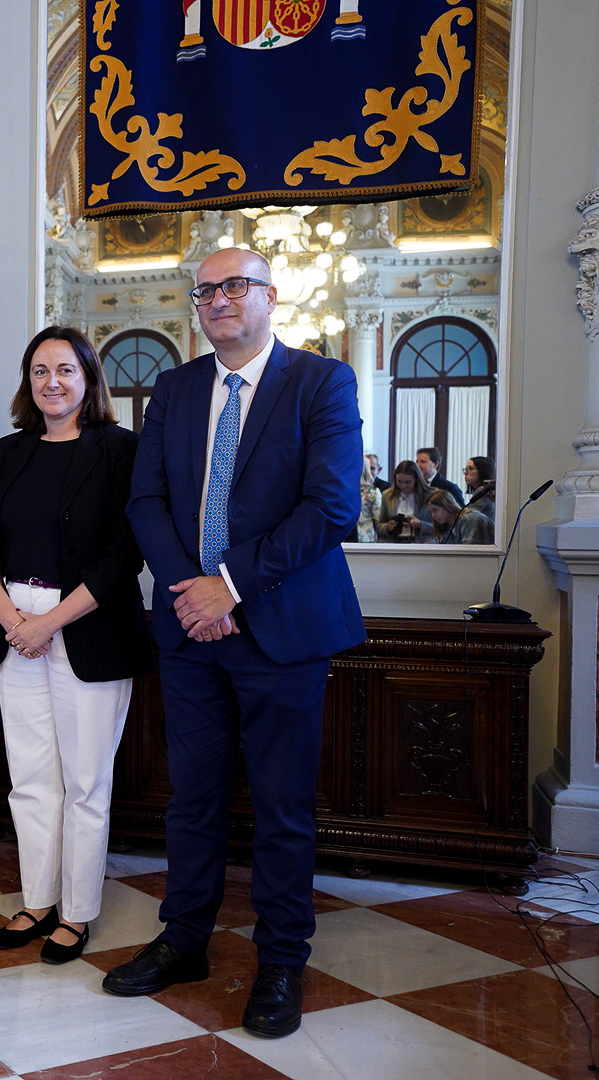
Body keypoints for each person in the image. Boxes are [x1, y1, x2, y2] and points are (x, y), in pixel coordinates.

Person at [110, 246, 364, 1039]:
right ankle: (184, 941)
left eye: (235, 286)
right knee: (192, 800)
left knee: (282, 809)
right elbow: (145, 500)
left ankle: (282, 958)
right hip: (190, 633)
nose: (218, 299)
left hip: (281, 630)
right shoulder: (177, 388)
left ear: (270, 297)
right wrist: (193, 591)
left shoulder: (321, 382)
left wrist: (231, 584)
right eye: (206, 289)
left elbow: (331, 507)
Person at [0, 326, 148, 963]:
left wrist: (50, 622)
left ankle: (77, 913)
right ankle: (37, 900)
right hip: (13, 620)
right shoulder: (10, 453)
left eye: (66, 370)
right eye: (40, 371)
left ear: (89, 379)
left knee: (85, 784)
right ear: (28, 382)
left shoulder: (122, 449)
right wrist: (13, 616)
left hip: (87, 624)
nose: (52, 383)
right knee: (30, 779)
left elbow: (126, 554)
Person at [375, 460, 433, 543]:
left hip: (422, 544)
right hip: (394, 545)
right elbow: (379, 526)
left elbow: (443, 528)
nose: (403, 486)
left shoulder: (430, 495)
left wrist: (421, 525)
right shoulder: (387, 495)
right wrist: (388, 527)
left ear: (417, 479)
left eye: (407, 482)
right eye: (399, 481)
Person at [425, 489, 494, 545]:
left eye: (435, 510)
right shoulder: (448, 525)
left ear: (446, 505)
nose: (433, 516)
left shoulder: (469, 519)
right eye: (430, 512)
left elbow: (470, 553)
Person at [357, 458, 383, 543]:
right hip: (367, 536)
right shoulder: (373, 492)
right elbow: (378, 517)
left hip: (346, 535)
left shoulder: (344, 491)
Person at [463, 456, 496, 521]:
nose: (465, 472)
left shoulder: (483, 490)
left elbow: (466, 515)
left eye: (471, 468)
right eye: (465, 469)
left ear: (482, 471)